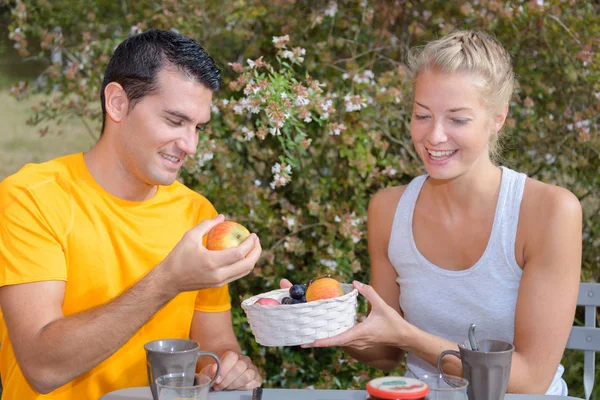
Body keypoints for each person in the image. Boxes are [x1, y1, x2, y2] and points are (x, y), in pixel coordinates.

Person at [283, 30, 582, 395]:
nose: (434, 136)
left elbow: (530, 379)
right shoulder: (388, 209)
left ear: (497, 118)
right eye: (422, 115)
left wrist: (408, 336)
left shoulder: (549, 211)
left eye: (457, 120)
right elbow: (386, 354)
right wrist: (321, 321)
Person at [0, 29, 263, 399]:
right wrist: (169, 280)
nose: (191, 145)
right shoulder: (34, 198)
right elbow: (42, 367)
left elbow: (215, 346)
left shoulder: (198, 215)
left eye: (198, 127)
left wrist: (229, 368)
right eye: (175, 121)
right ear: (118, 103)